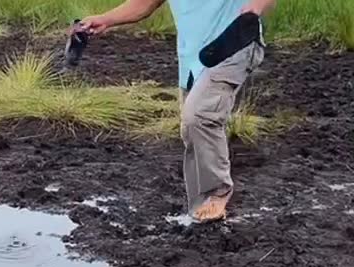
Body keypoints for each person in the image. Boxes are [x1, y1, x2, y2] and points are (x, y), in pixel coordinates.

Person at [75, 0, 276, 222]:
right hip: (195, 56)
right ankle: (201, 210)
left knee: (199, 116)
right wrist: (105, 19)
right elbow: (143, 4)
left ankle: (217, 192)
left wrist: (255, 7)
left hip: (235, 43)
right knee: (190, 130)